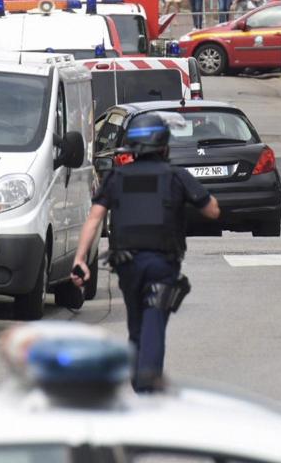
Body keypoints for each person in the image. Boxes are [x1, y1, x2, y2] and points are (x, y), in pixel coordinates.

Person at [71, 112, 220, 391]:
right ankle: (147, 384)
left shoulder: (117, 177)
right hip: (163, 263)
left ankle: (139, 380)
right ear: (164, 145)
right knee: (154, 319)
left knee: (136, 324)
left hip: (127, 264)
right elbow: (212, 210)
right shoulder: (176, 176)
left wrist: (80, 259)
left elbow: (94, 219)